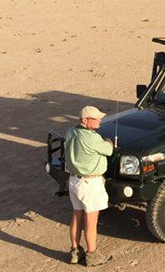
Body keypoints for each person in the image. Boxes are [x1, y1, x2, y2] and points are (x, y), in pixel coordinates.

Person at [64, 106, 114, 266]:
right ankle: (92, 255)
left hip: (73, 181)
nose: (100, 120)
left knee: (76, 217)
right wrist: (108, 142)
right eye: (96, 118)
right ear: (85, 120)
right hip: (90, 184)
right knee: (91, 222)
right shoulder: (92, 138)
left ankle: (74, 252)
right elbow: (109, 150)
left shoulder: (71, 131)